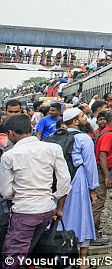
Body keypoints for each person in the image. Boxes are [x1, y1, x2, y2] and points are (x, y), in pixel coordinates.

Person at [0, 114, 71, 266]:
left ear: (11, 133)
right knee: (27, 251)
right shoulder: (53, 148)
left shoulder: (9, 156)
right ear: (31, 129)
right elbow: (65, 180)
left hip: (24, 212)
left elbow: (5, 192)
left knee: (13, 258)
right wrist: (58, 204)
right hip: (46, 210)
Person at [59, 108, 98, 257]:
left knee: (63, 215)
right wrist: (92, 188)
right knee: (82, 217)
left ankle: (62, 252)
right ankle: (83, 260)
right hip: (79, 180)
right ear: (75, 121)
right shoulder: (84, 139)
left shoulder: (59, 137)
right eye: (82, 116)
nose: (85, 118)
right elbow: (90, 165)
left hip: (62, 181)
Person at [92, 110, 112, 239]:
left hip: (100, 169)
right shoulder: (109, 135)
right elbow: (102, 155)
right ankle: (92, 232)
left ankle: (94, 229)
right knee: (98, 202)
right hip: (101, 170)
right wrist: (107, 177)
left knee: (98, 201)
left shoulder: (104, 133)